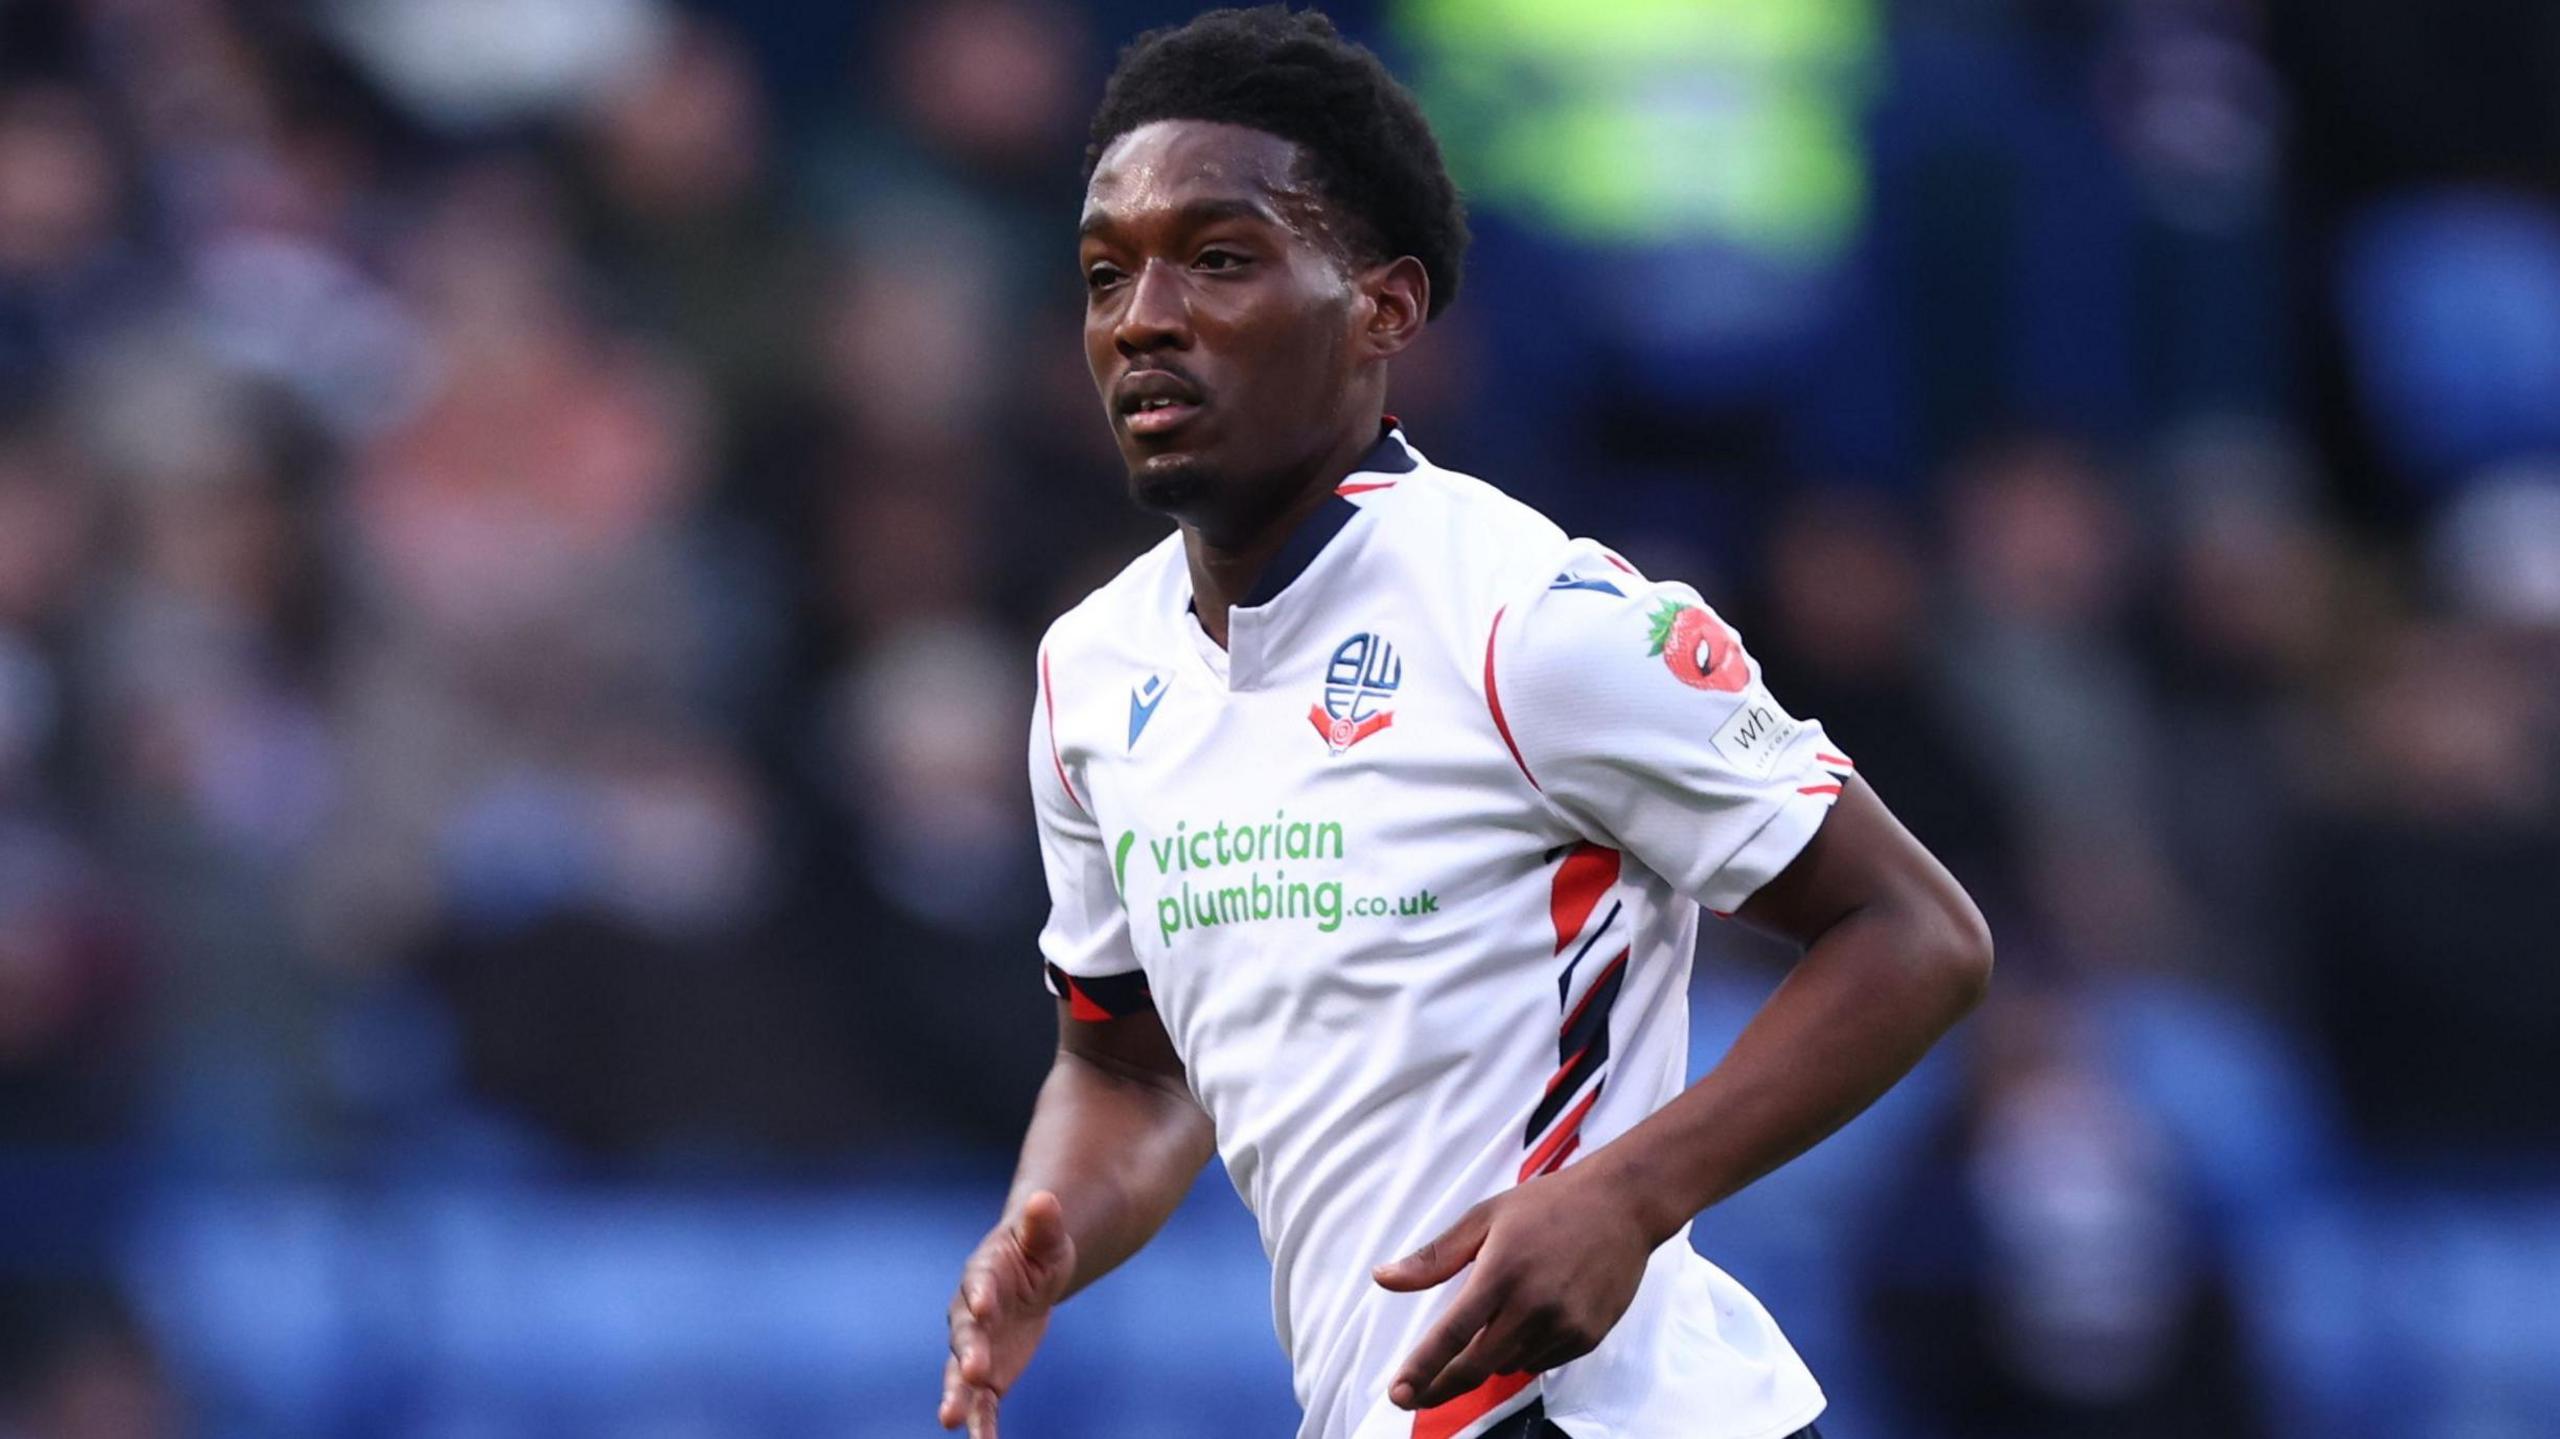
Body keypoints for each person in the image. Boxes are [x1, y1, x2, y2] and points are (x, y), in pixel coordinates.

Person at [940, 10, 1993, 1439]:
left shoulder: (1531, 617)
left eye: (1223, 258)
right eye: (1105, 272)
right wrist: (1048, 1226)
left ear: (1385, 308)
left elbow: (1917, 934)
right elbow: (1128, 1059)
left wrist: (1631, 1193)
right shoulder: (1091, 674)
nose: (1145, 317)